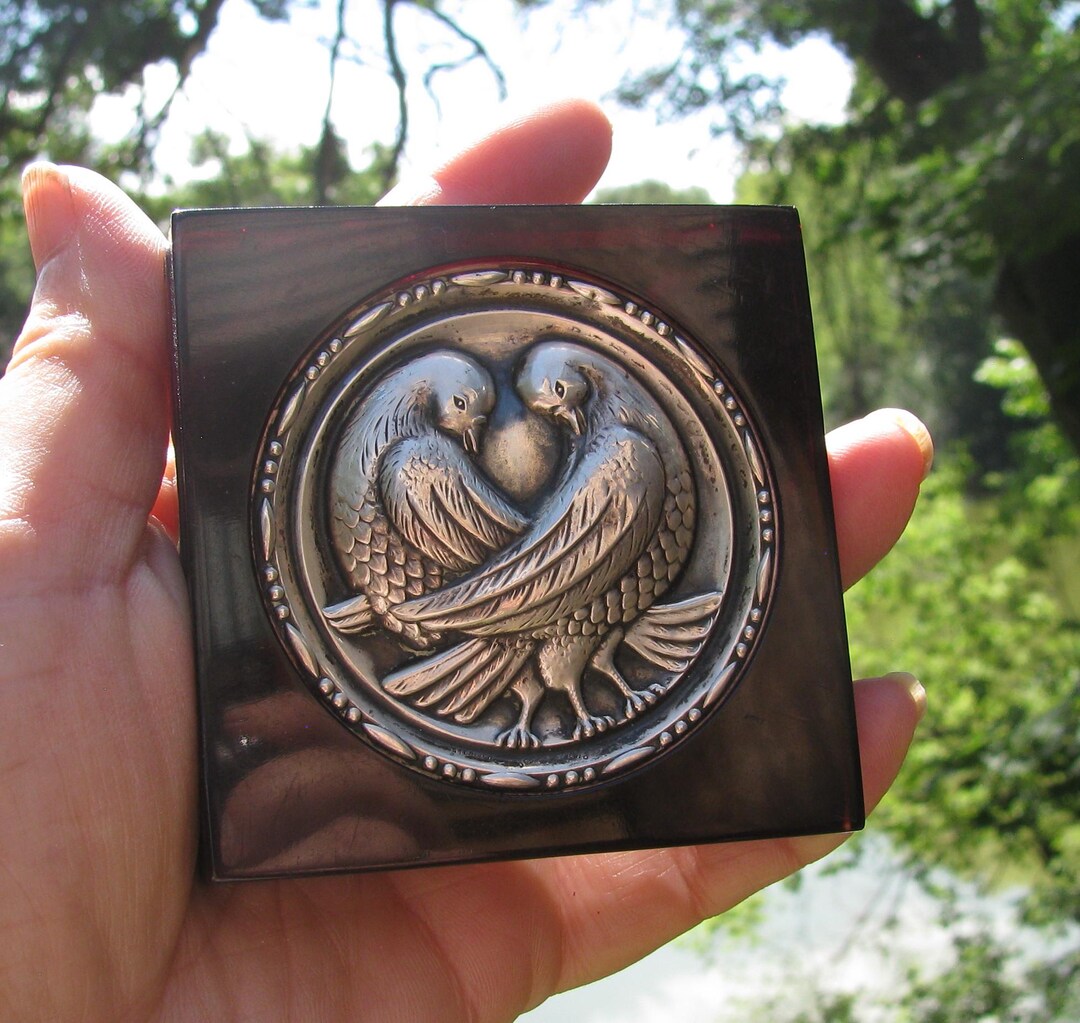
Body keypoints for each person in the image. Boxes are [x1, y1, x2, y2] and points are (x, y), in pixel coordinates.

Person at [0, 99, 931, 1021]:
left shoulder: (624, 451)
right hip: (483, 628)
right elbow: (540, 565)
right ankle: (546, 690)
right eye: (485, 412)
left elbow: (553, 558)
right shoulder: (426, 461)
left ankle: (552, 688)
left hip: (498, 644)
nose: (530, 426)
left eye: (552, 399)